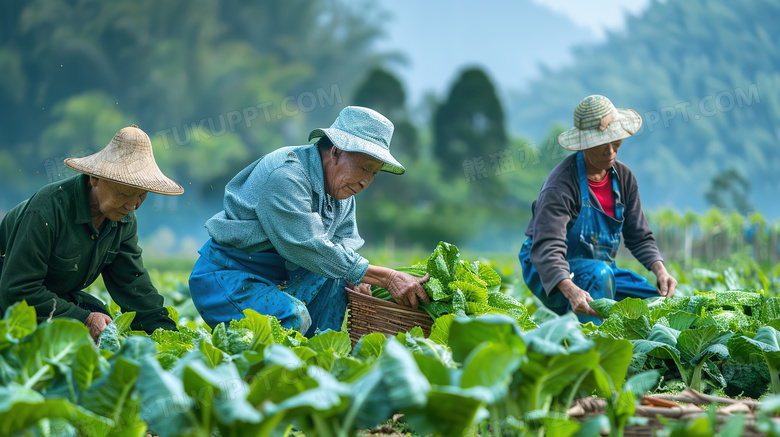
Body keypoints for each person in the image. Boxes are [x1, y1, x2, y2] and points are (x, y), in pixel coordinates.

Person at [189, 106, 430, 336]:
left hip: (278, 279)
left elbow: (342, 251)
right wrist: (386, 277)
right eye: (364, 168)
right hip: (228, 278)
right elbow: (309, 246)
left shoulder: (343, 193)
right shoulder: (287, 176)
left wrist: (357, 279)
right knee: (291, 317)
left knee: (337, 283)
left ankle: (320, 362)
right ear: (336, 151)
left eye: (374, 173)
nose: (366, 181)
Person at [0, 125, 182, 341]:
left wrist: (169, 335)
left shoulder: (122, 219)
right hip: (10, 303)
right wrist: (82, 318)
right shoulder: (46, 211)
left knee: (101, 317)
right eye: (125, 193)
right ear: (94, 179)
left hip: (53, 299)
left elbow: (132, 284)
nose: (133, 205)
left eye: (141, 196)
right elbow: (17, 291)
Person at [518, 95, 677, 324]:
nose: (611, 151)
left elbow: (639, 237)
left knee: (657, 303)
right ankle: (595, 349)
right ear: (585, 144)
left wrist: (661, 271)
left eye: (616, 142)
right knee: (599, 275)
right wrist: (571, 289)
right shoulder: (561, 186)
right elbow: (548, 246)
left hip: (599, 268)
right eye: (602, 144)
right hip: (548, 266)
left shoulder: (624, 179)